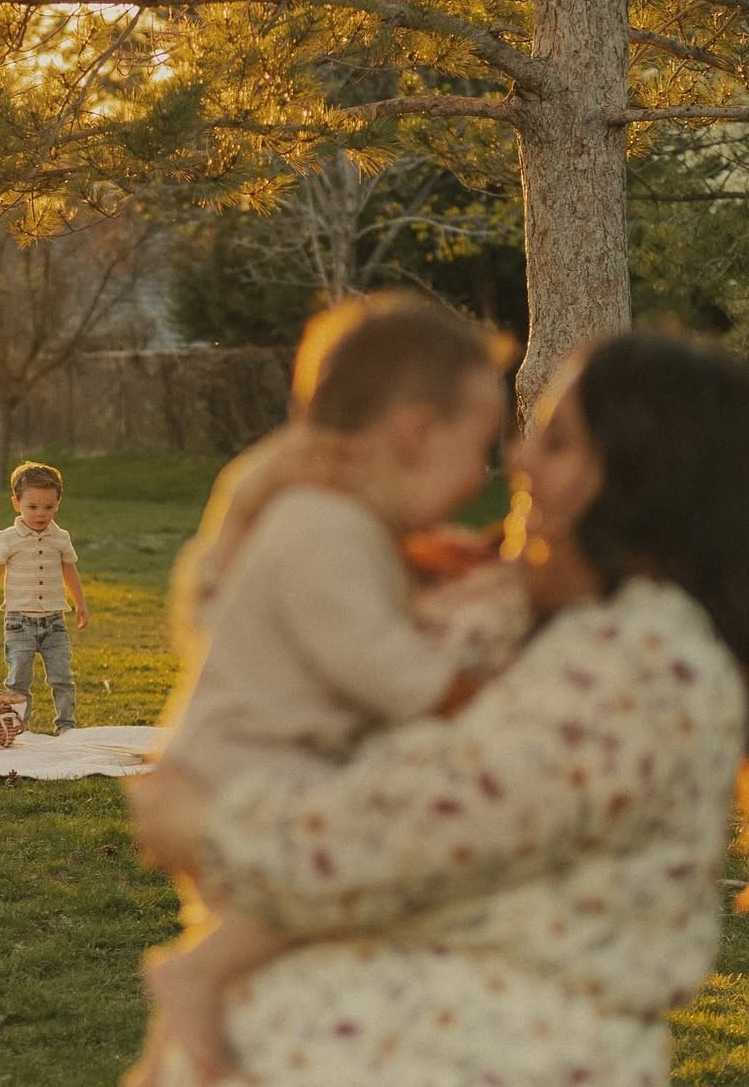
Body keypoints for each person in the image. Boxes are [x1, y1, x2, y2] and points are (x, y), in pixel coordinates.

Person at [126, 330, 749, 1086]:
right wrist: (241, 516)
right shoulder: (518, 611)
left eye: (555, 443)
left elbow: (411, 826)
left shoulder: (648, 670)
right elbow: (264, 646)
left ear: (639, 481)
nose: (516, 461)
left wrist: (208, 825)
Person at [133, 292, 530, 1081]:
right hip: (253, 764)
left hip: (259, 762)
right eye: (481, 444)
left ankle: (184, 1027)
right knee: (349, 855)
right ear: (415, 434)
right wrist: (468, 686)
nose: (489, 471)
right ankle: (196, 976)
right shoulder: (323, 529)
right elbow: (375, 665)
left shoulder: (339, 528)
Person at [0, 459, 89, 735]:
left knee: (62, 677)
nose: (41, 513)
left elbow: (70, 571)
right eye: (33, 507)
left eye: (48, 507)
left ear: (58, 504)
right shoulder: (7, 538)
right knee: (18, 680)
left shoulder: (60, 538)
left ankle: (66, 725)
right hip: (19, 623)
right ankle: (18, 727)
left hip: (54, 622)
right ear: (16, 503)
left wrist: (80, 603)